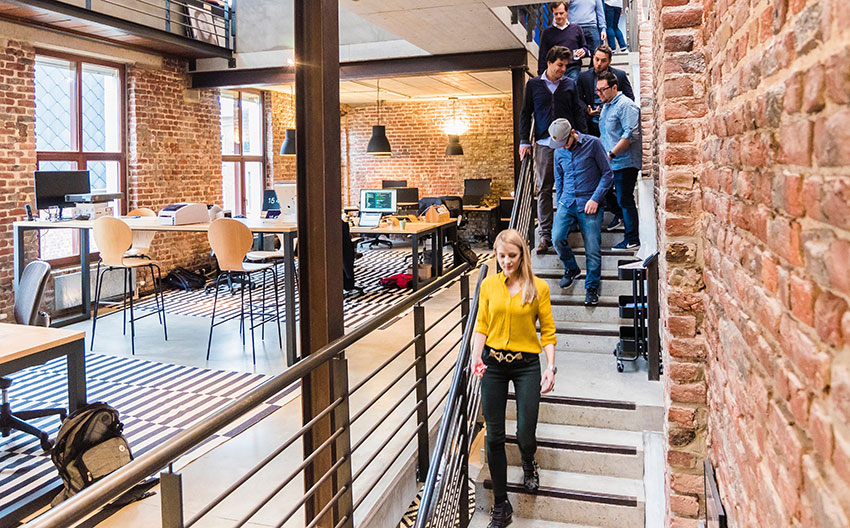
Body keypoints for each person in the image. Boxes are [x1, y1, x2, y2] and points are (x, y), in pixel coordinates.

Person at [471, 229, 557, 528]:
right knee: (493, 435)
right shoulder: (489, 286)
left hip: (525, 366)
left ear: (522, 256)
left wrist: (550, 367)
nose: (506, 262)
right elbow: (481, 324)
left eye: (512, 256)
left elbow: (547, 332)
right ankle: (501, 505)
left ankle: (529, 459)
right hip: (493, 364)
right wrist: (476, 356)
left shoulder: (539, 288)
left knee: (524, 433)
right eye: (501, 256)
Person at [519, 46, 587, 255]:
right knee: (545, 189)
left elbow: (577, 111)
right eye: (560, 65)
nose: (563, 69)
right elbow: (525, 114)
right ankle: (545, 234)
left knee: (569, 187)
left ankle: (566, 227)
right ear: (548, 63)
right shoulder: (533, 85)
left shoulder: (569, 84)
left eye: (566, 65)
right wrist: (524, 141)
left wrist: (583, 136)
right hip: (543, 144)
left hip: (567, 145)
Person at [548, 118, 613, 306]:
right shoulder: (559, 151)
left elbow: (608, 174)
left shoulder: (593, 144)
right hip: (567, 202)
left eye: (565, 142)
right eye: (560, 145)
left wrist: (595, 198)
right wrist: (560, 202)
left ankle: (591, 287)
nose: (564, 147)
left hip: (589, 202)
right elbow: (558, 178)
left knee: (592, 248)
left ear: (573, 132)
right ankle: (571, 268)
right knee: (557, 238)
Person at [577, 45, 634, 230]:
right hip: (593, 131)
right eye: (596, 59)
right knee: (598, 177)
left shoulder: (619, 75)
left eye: (603, 60)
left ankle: (623, 220)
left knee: (617, 183)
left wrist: (610, 109)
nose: (599, 63)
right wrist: (587, 109)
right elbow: (578, 99)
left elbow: (629, 99)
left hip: (614, 133)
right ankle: (616, 213)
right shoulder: (584, 77)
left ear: (609, 61)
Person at [597, 70, 641, 249]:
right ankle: (622, 217)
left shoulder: (626, 105)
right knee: (604, 193)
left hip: (625, 161)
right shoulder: (607, 106)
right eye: (597, 90)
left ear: (614, 87)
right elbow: (606, 134)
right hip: (610, 162)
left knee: (625, 199)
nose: (599, 94)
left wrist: (611, 154)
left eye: (603, 90)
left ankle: (632, 239)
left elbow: (630, 136)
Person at [537, 1, 590, 83]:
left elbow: (585, 48)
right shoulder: (547, 33)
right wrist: (541, 75)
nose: (558, 16)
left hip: (573, 67)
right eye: (556, 14)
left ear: (567, 12)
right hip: (555, 69)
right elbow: (543, 55)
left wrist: (583, 51)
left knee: (571, 89)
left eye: (561, 13)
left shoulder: (577, 29)